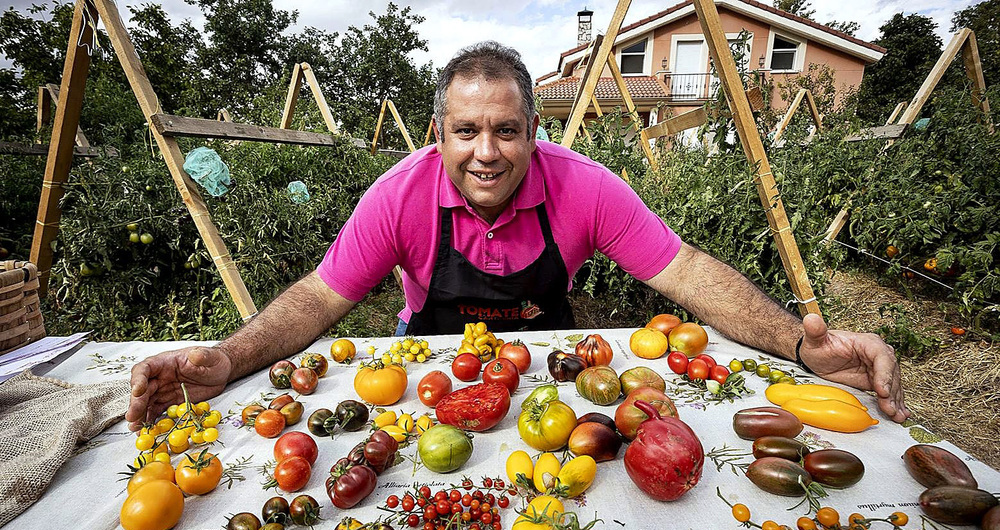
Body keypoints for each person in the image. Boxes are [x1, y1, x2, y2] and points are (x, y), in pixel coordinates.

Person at [126, 41, 909, 430]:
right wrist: (228, 358)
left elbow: (690, 274)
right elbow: (318, 297)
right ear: (439, 135)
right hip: (433, 383)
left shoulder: (585, 186)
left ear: (534, 131)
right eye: (466, 131)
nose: (486, 152)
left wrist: (803, 346)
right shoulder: (398, 197)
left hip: (553, 382)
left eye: (506, 129)